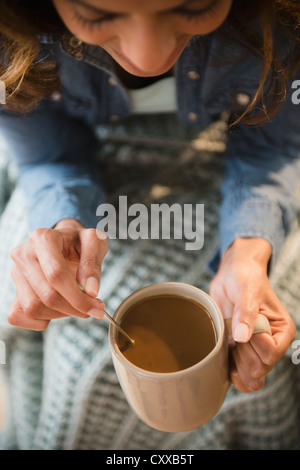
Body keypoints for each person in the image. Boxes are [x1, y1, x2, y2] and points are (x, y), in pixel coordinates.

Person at [0, 0, 298, 403]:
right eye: (98, 15)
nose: (148, 57)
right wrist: (62, 222)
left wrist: (246, 253)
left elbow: (270, 152)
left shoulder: (281, 20)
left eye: (195, 6)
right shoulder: (10, 38)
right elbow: (49, 157)